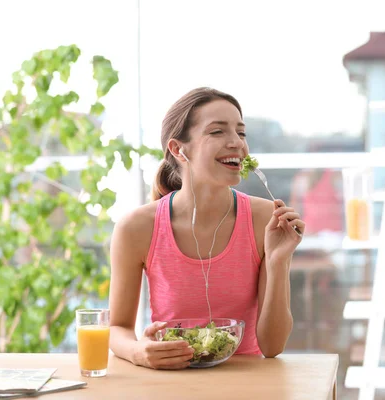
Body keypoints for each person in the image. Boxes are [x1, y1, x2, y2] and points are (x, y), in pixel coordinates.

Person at [108, 87, 305, 370]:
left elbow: (272, 347)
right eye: (217, 132)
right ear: (178, 149)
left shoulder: (266, 219)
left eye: (241, 132)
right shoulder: (136, 228)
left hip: (246, 384)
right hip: (170, 381)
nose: (237, 142)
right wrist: (138, 351)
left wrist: (278, 259)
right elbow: (117, 328)